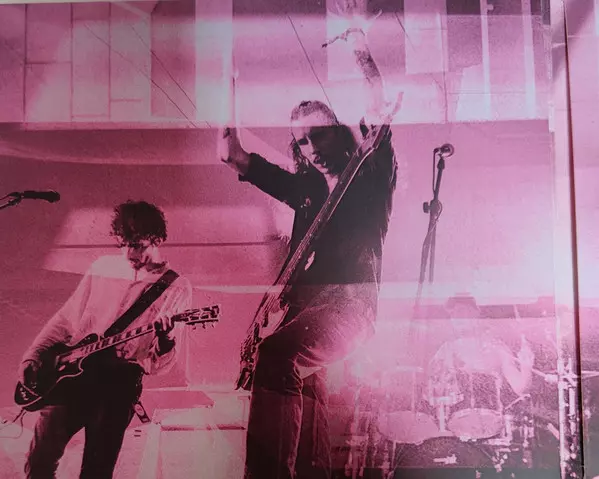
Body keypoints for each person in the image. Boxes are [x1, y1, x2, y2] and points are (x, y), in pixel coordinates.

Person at [218, 2, 398, 477]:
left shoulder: (370, 175)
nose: (312, 148)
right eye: (302, 141)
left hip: (349, 308)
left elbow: (379, 110)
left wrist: (358, 43)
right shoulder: (305, 190)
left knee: (278, 355)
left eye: (319, 136)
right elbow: (236, 157)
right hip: (302, 311)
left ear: (337, 132)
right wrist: (227, 95)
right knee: (307, 404)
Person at [17, 200, 192, 478]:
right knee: (39, 460)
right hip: (73, 375)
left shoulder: (176, 286)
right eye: (124, 244)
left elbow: (162, 363)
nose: (129, 253)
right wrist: (33, 355)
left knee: (96, 472)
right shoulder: (102, 266)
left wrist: (167, 337)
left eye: (138, 245)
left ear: (157, 239)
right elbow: (66, 319)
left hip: (118, 384)